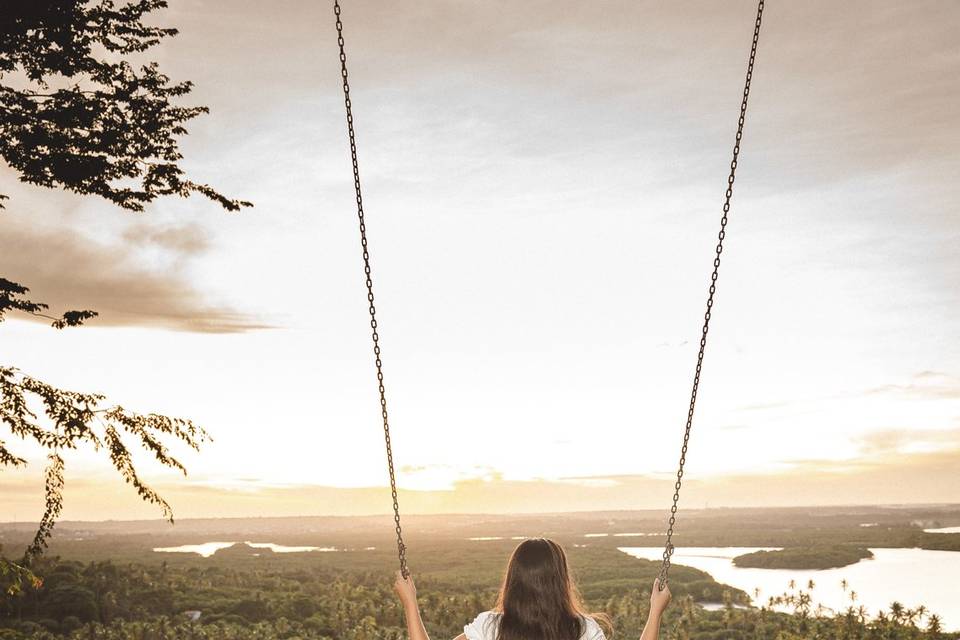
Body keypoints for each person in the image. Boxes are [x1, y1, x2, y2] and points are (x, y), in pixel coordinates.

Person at [393, 537, 672, 640]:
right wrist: (654, 611)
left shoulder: (490, 629)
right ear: (561, 582)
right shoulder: (584, 631)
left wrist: (410, 603)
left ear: (514, 581)